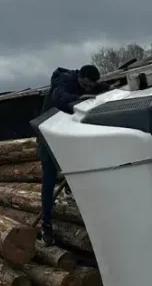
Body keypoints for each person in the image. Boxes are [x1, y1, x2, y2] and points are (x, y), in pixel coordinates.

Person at [37, 65, 107, 245]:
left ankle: (70, 189)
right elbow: (59, 98)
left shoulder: (89, 84)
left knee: (81, 161)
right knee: (49, 177)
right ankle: (46, 225)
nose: (87, 89)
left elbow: (104, 89)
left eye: (91, 86)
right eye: (85, 84)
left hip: (66, 131)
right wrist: (78, 98)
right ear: (80, 77)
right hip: (47, 131)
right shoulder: (64, 80)